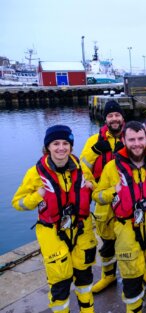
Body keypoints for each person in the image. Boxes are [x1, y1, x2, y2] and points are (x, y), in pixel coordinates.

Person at [92, 121, 146, 313]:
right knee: (131, 276)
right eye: (131, 139)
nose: (137, 144)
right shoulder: (111, 168)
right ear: (123, 140)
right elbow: (97, 195)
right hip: (126, 230)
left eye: (140, 139)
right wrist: (112, 193)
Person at [12, 125, 97, 313]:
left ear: (71, 146)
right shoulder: (35, 174)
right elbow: (17, 203)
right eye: (56, 143)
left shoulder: (81, 167)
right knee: (60, 284)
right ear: (47, 147)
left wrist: (93, 186)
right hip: (52, 234)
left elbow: (96, 189)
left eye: (65, 143)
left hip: (81, 229)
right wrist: (37, 196)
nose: (61, 148)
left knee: (84, 279)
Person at [80, 100, 125, 293]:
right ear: (105, 118)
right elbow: (82, 168)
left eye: (117, 115)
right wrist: (95, 153)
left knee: (134, 238)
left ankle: (139, 273)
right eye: (110, 116)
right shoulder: (93, 141)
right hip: (104, 200)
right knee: (107, 243)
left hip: (127, 198)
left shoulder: (132, 136)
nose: (114, 119)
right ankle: (108, 276)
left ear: (122, 117)